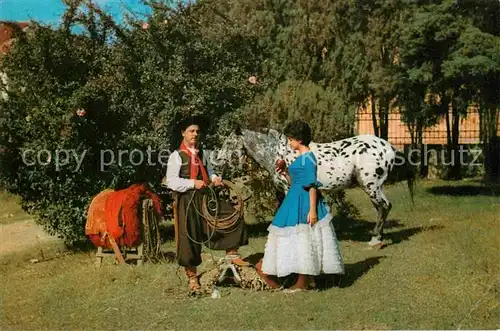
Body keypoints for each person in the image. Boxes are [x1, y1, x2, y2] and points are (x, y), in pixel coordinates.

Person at [163, 115, 249, 293]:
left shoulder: (202, 153)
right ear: (183, 133)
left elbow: (208, 171)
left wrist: (215, 178)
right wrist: (192, 183)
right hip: (186, 202)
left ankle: (232, 253)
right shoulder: (176, 156)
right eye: (191, 131)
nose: (195, 134)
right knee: (189, 239)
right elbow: (171, 181)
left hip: (205, 197)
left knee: (230, 215)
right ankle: (192, 278)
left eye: (197, 131)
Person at [256, 120, 344, 292]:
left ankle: (303, 281)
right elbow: (295, 183)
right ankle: (300, 277)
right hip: (294, 198)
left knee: (304, 236)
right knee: (293, 235)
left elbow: (311, 186)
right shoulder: (301, 158)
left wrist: (312, 211)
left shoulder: (308, 159)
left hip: (304, 201)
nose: (289, 143)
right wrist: (286, 172)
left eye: (290, 139)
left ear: (300, 139)